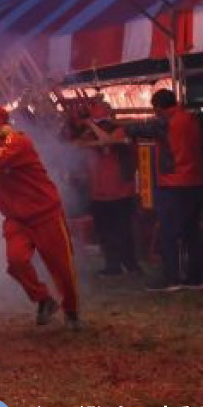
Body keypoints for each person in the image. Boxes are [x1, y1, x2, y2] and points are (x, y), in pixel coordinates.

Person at [0, 104, 82, 329]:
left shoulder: (18, 141)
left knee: (61, 268)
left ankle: (71, 312)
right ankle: (43, 299)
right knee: (16, 262)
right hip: (16, 218)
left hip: (46, 214)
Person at [126, 89, 203, 292]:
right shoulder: (192, 118)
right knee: (192, 233)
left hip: (173, 184)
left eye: (155, 110)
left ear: (159, 107)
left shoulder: (165, 122)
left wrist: (120, 127)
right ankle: (195, 279)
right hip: (195, 183)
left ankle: (171, 279)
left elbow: (136, 129)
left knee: (169, 233)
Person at [81, 101, 142, 277]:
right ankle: (113, 266)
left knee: (124, 231)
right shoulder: (90, 133)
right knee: (104, 232)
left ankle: (131, 265)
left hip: (121, 191)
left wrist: (92, 128)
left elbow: (106, 141)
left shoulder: (120, 129)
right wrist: (93, 140)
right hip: (99, 192)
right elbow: (76, 144)